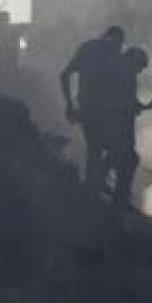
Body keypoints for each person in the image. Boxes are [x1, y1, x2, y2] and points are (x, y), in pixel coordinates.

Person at [60, 27, 126, 191]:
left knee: (97, 149)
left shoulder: (88, 48)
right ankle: (94, 186)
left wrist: (70, 104)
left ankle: (94, 185)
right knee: (112, 149)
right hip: (99, 110)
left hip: (88, 108)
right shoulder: (112, 52)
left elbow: (64, 74)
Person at [100, 46, 152, 209]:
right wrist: (143, 107)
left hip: (122, 125)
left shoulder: (125, 76)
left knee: (123, 158)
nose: (140, 70)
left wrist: (147, 106)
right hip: (117, 126)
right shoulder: (120, 76)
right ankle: (118, 196)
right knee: (128, 159)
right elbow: (121, 104)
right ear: (133, 61)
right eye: (140, 66)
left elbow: (132, 103)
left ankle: (107, 184)